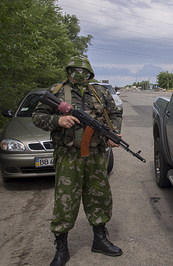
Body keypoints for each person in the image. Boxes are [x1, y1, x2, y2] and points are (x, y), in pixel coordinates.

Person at [32, 55, 123, 266]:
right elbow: (37, 117)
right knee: (65, 199)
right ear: (69, 72)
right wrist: (58, 120)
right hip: (68, 155)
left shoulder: (99, 92)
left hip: (96, 154)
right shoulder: (56, 91)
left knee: (98, 195)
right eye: (75, 71)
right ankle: (61, 247)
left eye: (84, 72)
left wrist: (114, 133)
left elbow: (116, 113)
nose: (79, 75)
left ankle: (99, 239)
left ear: (90, 73)